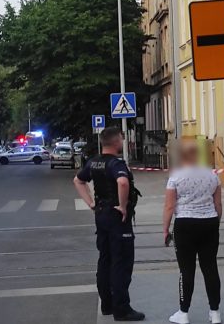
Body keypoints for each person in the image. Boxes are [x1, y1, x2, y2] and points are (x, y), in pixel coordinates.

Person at [73, 126, 144, 321]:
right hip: (116, 218)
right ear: (115, 142)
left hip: (101, 214)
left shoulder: (93, 162)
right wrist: (122, 206)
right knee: (121, 261)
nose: (122, 142)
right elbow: (122, 182)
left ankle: (107, 304)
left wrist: (90, 203)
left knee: (105, 260)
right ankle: (122, 308)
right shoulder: (115, 163)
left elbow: (78, 181)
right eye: (121, 139)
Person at [162, 142, 223, 324]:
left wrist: (165, 228)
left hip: (185, 225)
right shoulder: (213, 176)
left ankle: (183, 312)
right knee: (210, 268)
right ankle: (215, 313)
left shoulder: (176, 177)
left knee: (186, 270)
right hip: (209, 223)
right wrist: (215, 221)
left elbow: (169, 206)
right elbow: (218, 204)